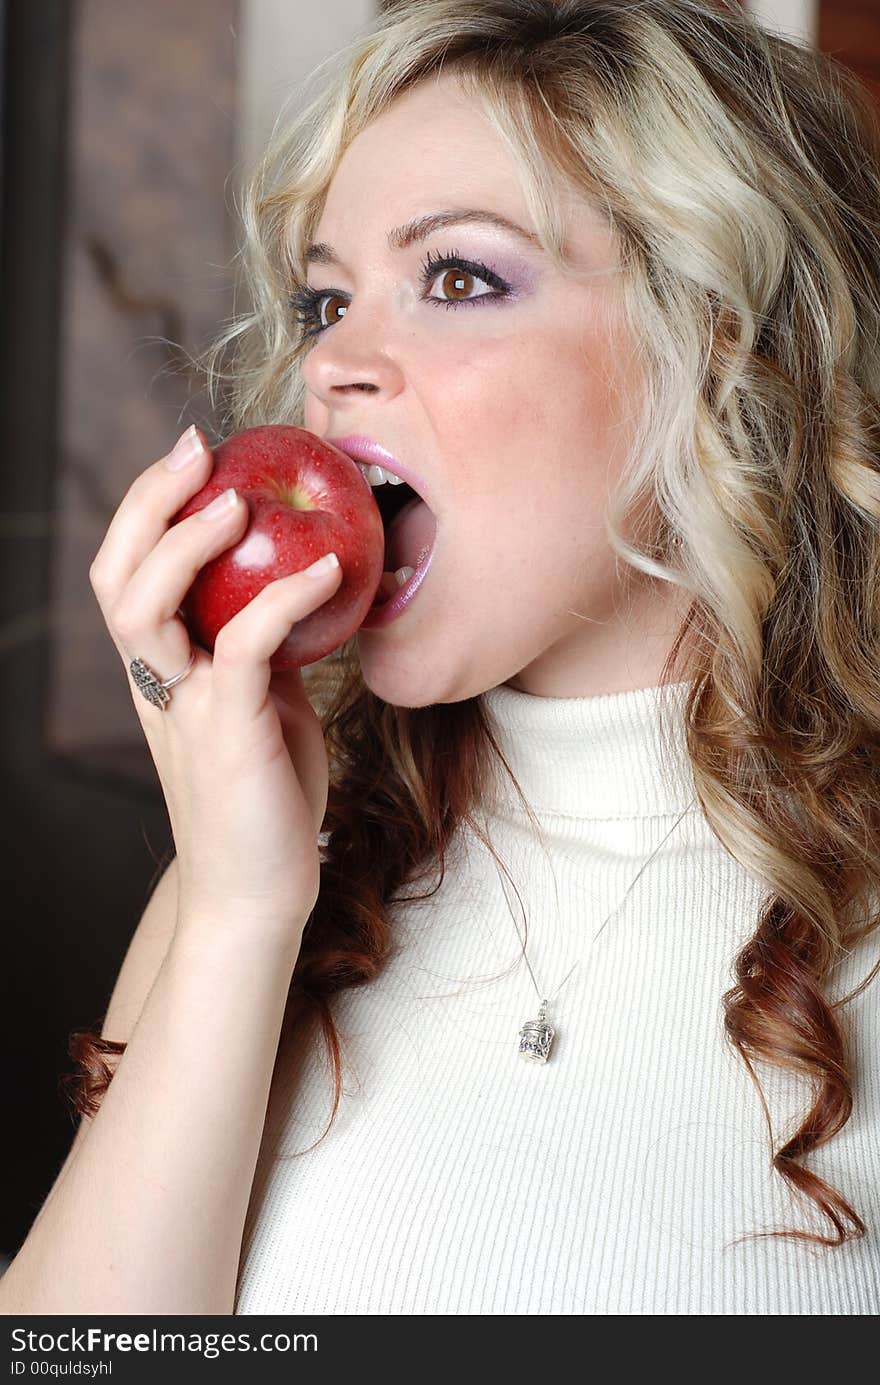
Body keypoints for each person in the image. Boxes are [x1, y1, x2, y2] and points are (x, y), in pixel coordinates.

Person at [3, 0, 879, 1315]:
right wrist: (240, 910)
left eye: (459, 278)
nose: (337, 362)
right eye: (324, 297)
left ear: (716, 348)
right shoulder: (265, 875)